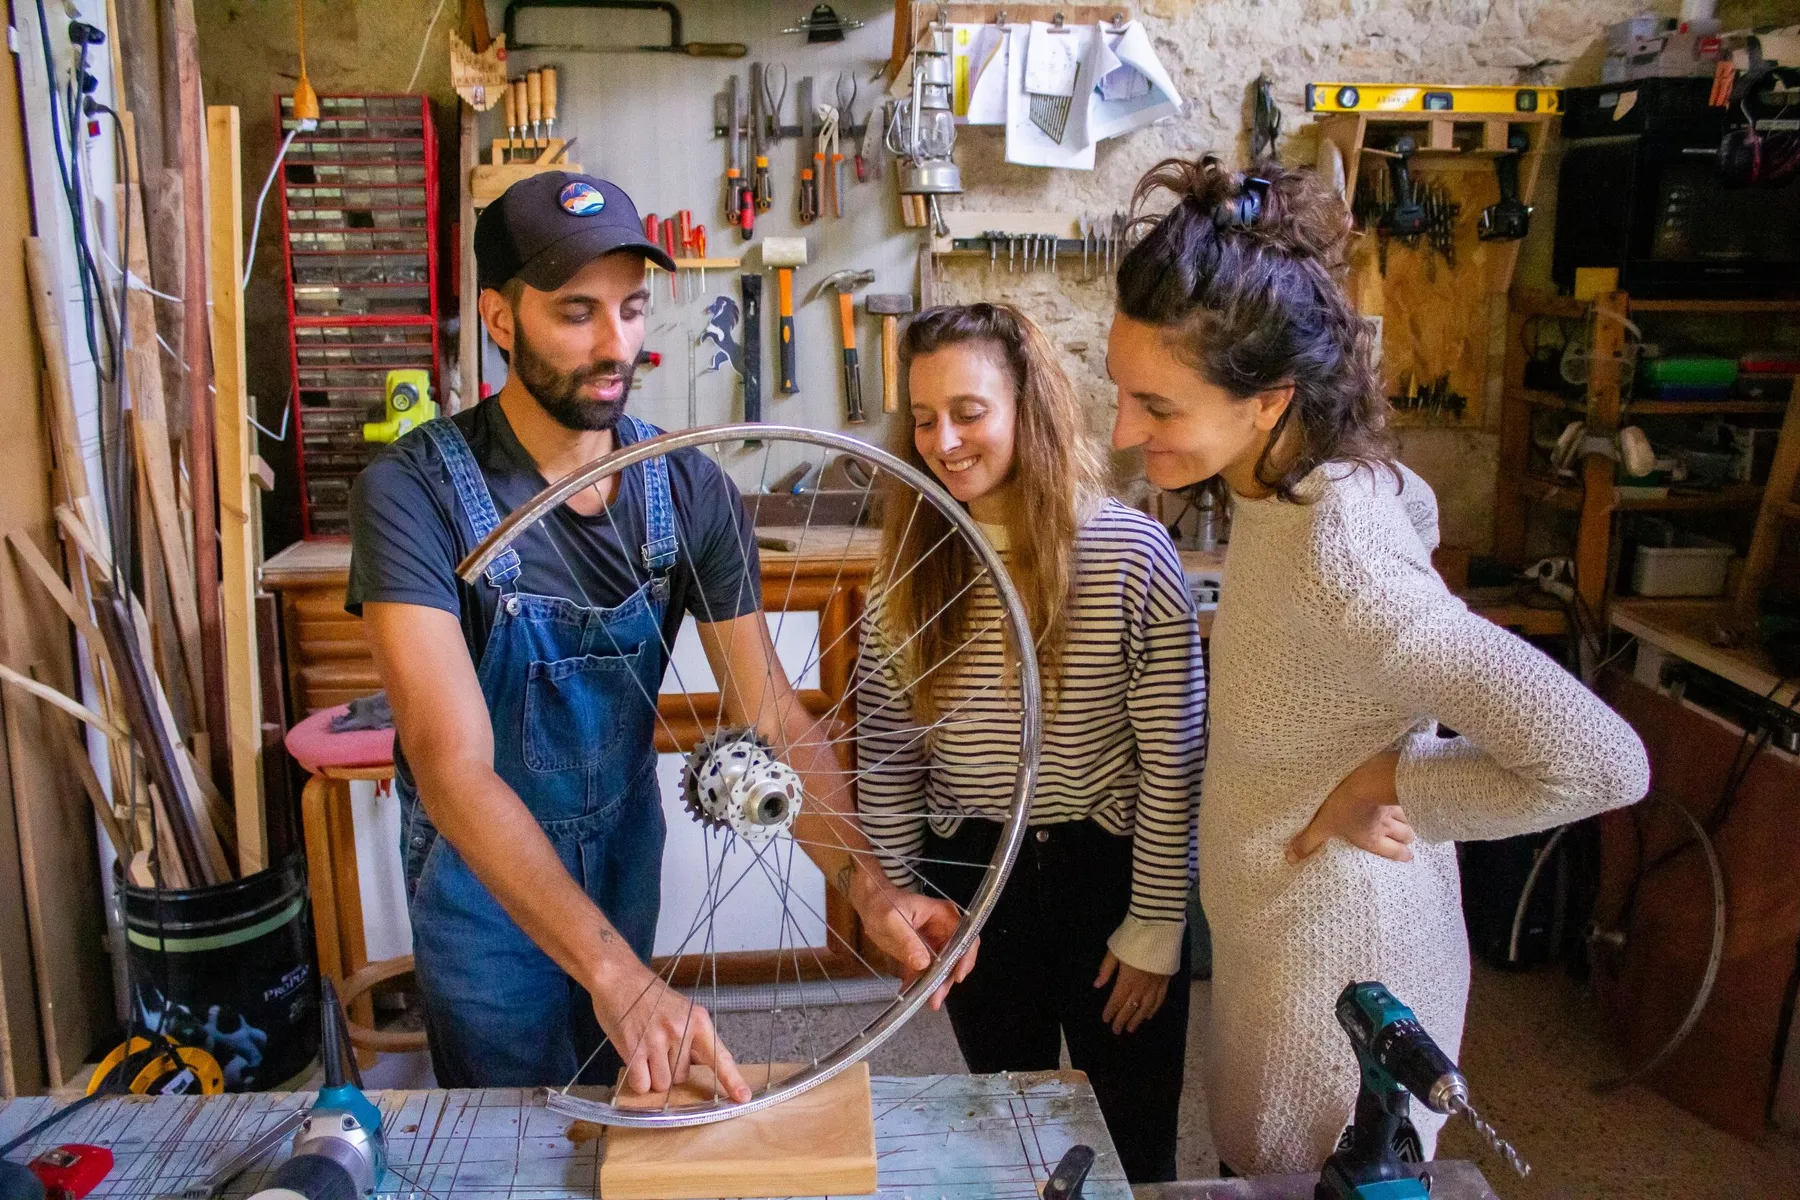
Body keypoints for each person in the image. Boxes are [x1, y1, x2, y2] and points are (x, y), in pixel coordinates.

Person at [347, 172, 972, 1096]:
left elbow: (772, 714)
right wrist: (617, 977)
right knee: (511, 1128)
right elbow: (453, 768)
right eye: (576, 313)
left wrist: (869, 890)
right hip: (480, 885)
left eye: (633, 309)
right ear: (498, 317)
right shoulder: (412, 495)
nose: (616, 345)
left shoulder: (686, 490)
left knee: (619, 1107)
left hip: (622, 857)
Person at [1105, 155, 1651, 1175]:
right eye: (1123, 393)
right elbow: (1413, 509)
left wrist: (1390, 781)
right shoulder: (1297, 482)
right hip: (1282, 952)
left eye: (1158, 408)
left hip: (1339, 986)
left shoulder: (1341, 561)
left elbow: (1603, 761)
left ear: (1267, 401)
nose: (1126, 432)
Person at [853, 303, 1206, 1183]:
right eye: (924, 419)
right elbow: (891, 756)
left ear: (1027, 408)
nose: (945, 441)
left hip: (1110, 877)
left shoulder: (1130, 553)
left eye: (970, 412)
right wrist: (895, 896)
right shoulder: (906, 568)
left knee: (1129, 1138)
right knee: (1004, 1131)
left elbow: (1172, 755)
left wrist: (1157, 927)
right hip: (975, 879)